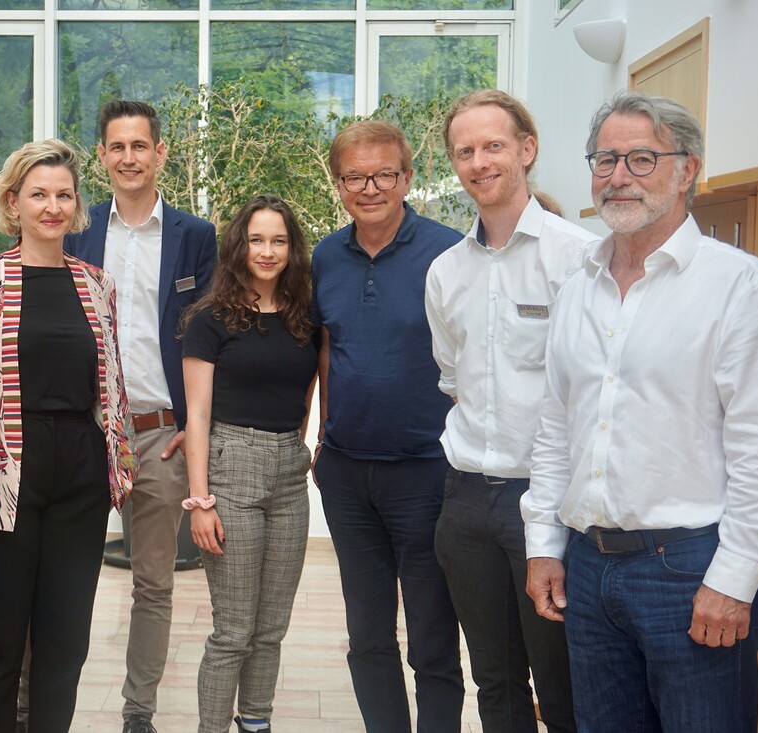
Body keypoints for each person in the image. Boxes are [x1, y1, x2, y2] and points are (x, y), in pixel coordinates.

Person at [521, 90, 758, 732]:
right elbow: (555, 430)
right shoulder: (578, 284)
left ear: (687, 171)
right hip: (588, 566)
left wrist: (735, 578)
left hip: (691, 570)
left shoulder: (737, 286)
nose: (618, 177)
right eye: (605, 160)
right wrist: (545, 545)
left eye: (641, 159)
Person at [425, 89, 596, 733]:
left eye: (493, 145)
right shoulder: (445, 271)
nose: (479, 162)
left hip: (548, 504)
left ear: (526, 150)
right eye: (464, 151)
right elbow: (452, 377)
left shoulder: (578, 257)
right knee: (493, 684)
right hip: (466, 501)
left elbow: (593, 389)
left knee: (561, 681)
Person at [0, 139, 136, 733]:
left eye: (64, 195)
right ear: (13, 203)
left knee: (65, 643)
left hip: (80, 474)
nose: (52, 206)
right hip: (6, 473)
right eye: (38, 194)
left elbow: (111, 380)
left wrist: (119, 464)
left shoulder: (97, 285)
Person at [63, 99, 217, 733]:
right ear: (102, 156)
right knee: (61, 580)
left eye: (139, 146)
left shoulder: (196, 238)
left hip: (159, 435)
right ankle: (31, 710)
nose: (129, 157)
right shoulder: (73, 229)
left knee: (153, 584)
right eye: (116, 147)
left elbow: (213, 336)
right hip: (80, 432)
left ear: (160, 154)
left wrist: (195, 423)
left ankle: (137, 715)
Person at [311, 120, 465, 733]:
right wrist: (323, 439)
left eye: (383, 174)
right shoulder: (325, 255)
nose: (369, 187)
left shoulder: (450, 251)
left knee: (432, 633)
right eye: (354, 176)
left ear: (406, 178)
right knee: (366, 634)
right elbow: (327, 350)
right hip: (348, 475)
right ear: (339, 182)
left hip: (427, 472)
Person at [182, 196, 318, 733]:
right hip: (229, 466)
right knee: (234, 629)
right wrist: (200, 501)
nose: (268, 251)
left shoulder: (304, 316)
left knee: (270, 627)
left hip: (290, 472)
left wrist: (299, 449)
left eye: (279, 241)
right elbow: (196, 415)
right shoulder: (209, 319)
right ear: (238, 246)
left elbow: (306, 393)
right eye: (257, 239)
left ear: (292, 248)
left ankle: (255, 722)